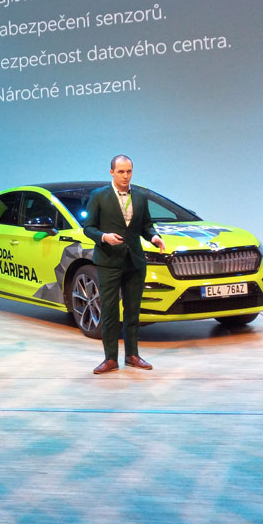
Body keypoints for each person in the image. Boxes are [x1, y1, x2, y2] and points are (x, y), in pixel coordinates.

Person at [81, 155, 166, 374]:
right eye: (121, 172)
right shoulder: (99, 196)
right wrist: (104, 237)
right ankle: (110, 358)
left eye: (129, 171)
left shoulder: (140, 196)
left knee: (133, 311)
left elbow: (146, 225)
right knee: (109, 311)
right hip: (108, 261)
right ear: (112, 172)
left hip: (134, 261)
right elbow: (88, 227)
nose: (126, 176)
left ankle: (132, 355)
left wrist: (154, 237)